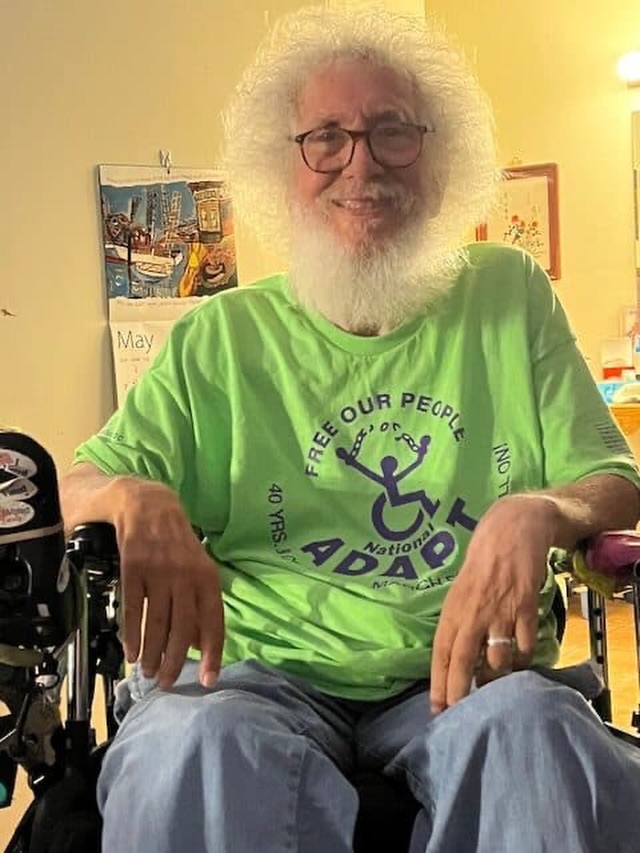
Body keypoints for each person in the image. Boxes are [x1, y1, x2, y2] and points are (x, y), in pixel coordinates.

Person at [61, 6, 640, 852]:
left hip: (477, 674)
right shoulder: (220, 338)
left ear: (439, 155)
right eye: (326, 137)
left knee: (539, 739)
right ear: (282, 164)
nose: (361, 165)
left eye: (393, 131)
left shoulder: (509, 295)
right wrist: (132, 493)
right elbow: (77, 481)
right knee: (187, 748)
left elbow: (613, 476)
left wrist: (544, 510)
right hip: (254, 676)